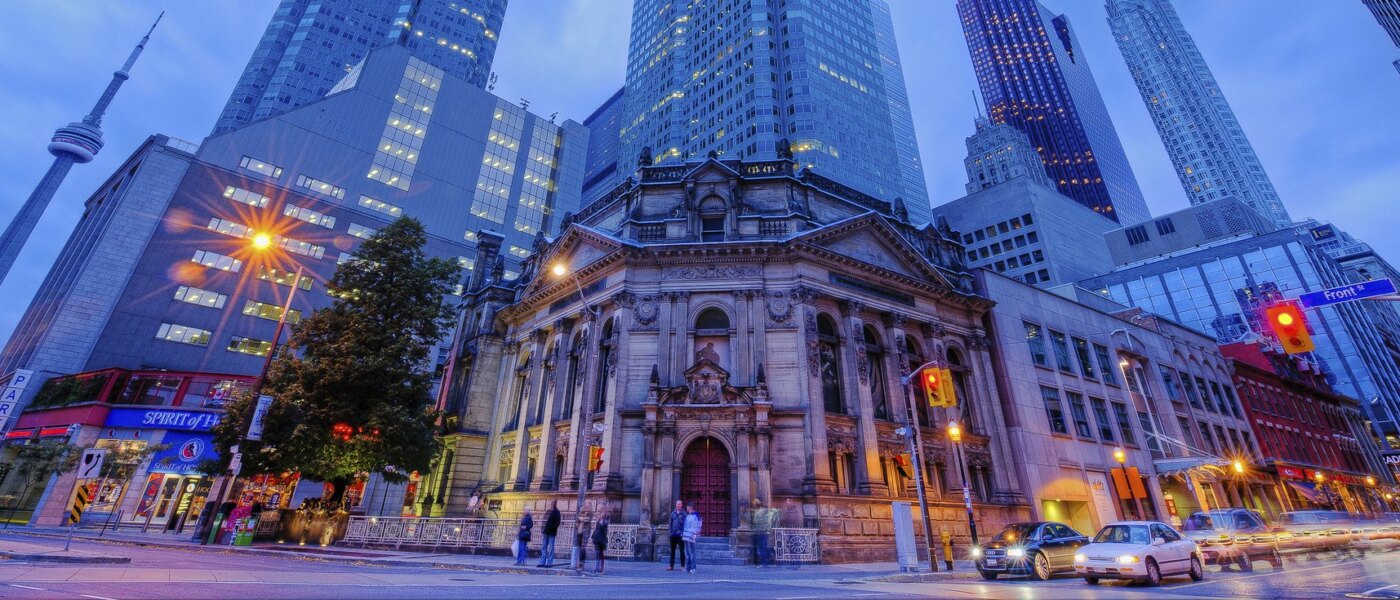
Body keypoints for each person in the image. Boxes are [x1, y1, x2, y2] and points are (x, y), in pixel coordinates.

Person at [751, 499, 776, 567]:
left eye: (754, 504)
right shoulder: (767, 512)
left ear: (756, 505)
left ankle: (764, 563)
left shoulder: (758, 513)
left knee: (762, 548)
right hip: (766, 532)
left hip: (760, 532)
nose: (753, 506)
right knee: (766, 547)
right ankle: (768, 561)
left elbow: (756, 522)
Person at [538, 501, 561, 567]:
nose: (551, 503)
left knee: (551, 548)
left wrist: (551, 528)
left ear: (555, 503)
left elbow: (558, 523)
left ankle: (549, 563)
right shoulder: (548, 511)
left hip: (552, 532)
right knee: (544, 547)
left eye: (553, 502)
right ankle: (542, 562)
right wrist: (542, 529)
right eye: (551, 502)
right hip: (545, 531)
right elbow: (544, 521)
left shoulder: (557, 512)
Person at [667, 500, 687, 571]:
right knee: (672, 551)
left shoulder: (684, 514)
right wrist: (670, 532)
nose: (679, 505)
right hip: (673, 535)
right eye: (678, 504)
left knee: (682, 551)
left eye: (680, 504)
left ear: (681, 505)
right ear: (676, 505)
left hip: (680, 535)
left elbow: (686, 524)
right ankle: (671, 565)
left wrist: (683, 532)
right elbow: (670, 523)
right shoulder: (673, 513)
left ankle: (682, 566)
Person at [683, 503, 702, 574]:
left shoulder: (695, 516)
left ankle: (694, 568)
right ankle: (688, 568)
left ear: (690, 507)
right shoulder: (688, 515)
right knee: (687, 553)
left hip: (691, 537)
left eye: (687, 507)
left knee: (692, 553)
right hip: (686, 536)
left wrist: (694, 534)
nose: (686, 508)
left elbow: (697, 526)